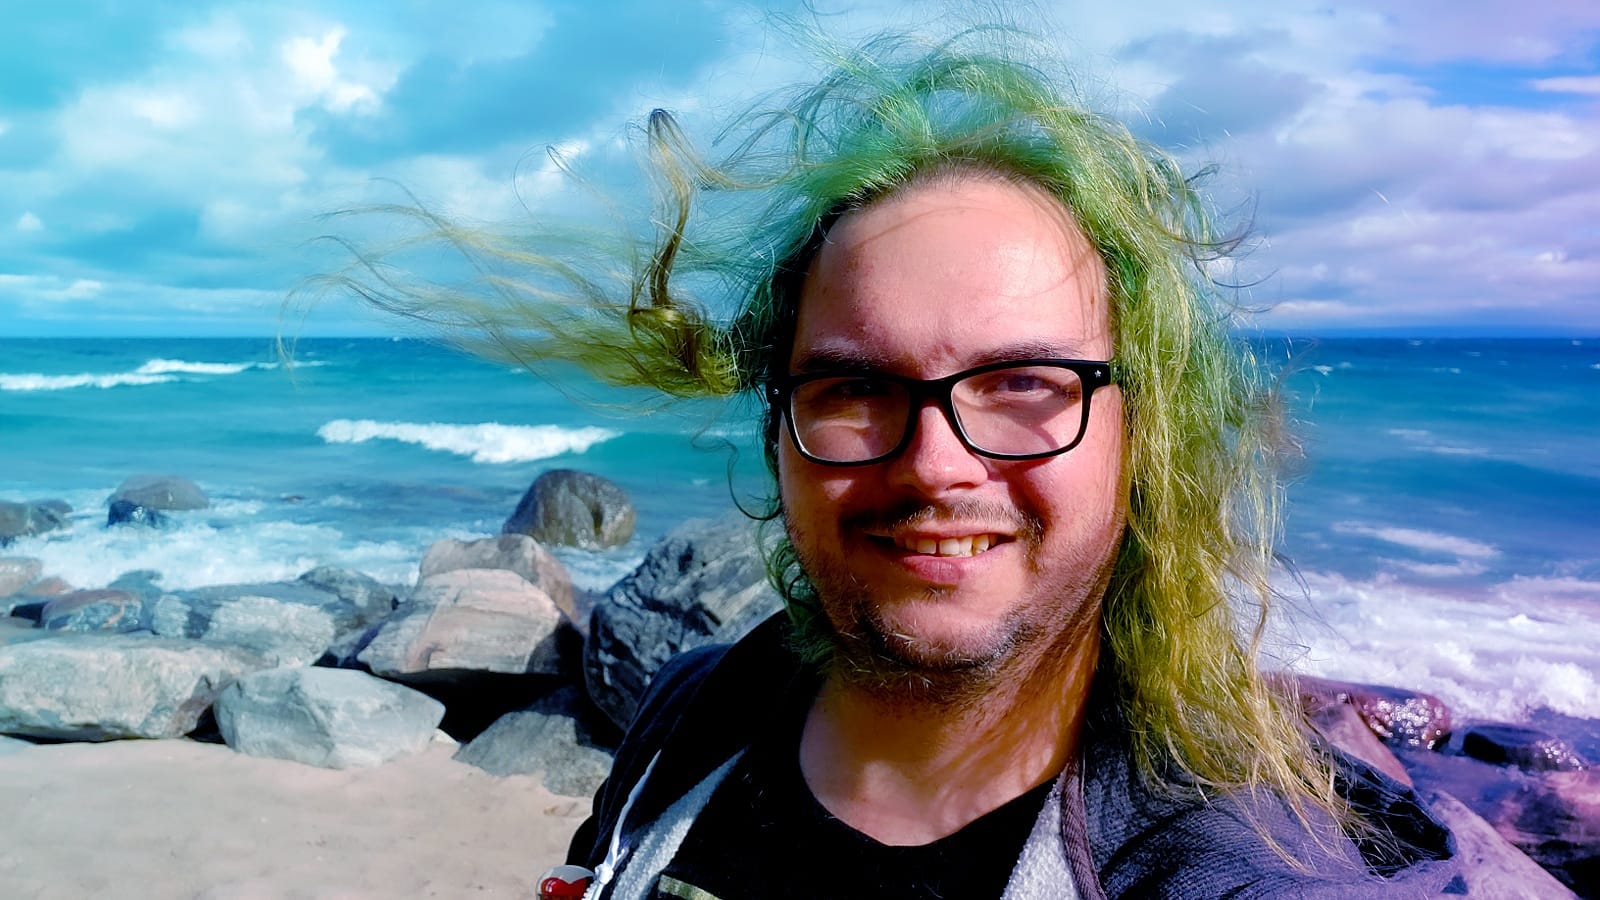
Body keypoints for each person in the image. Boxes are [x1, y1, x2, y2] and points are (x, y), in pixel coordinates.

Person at [329, 25, 1463, 899]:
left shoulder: (1221, 860)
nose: (933, 465)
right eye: (856, 387)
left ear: (1140, 433)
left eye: (1025, 384)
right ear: (780, 431)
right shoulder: (701, 711)